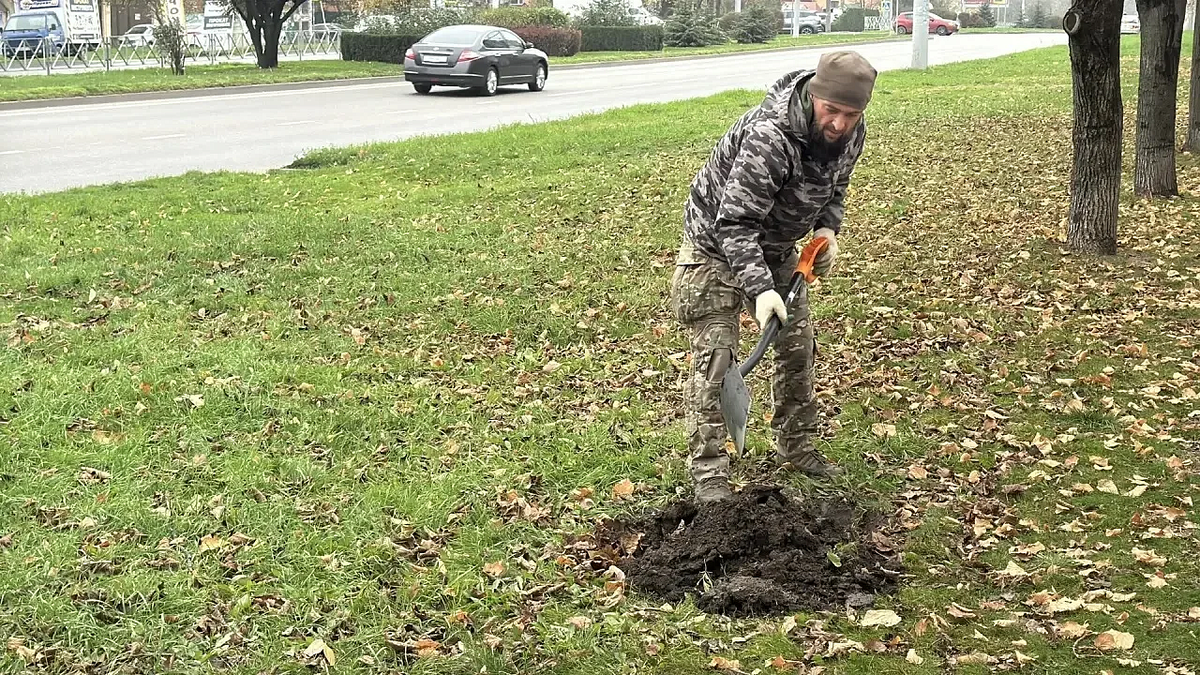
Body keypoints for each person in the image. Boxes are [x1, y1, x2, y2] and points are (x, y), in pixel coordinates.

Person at [669, 50, 877, 503]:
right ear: (814, 95)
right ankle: (710, 474)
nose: (840, 124)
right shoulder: (771, 138)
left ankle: (797, 448)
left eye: (851, 114)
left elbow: (836, 187)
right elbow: (735, 224)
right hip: (715, 251)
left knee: (798, 349)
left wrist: (826, 229)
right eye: (832, 110)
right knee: (717, 361)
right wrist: (761, 290)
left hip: (779, 249)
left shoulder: (851, 133)